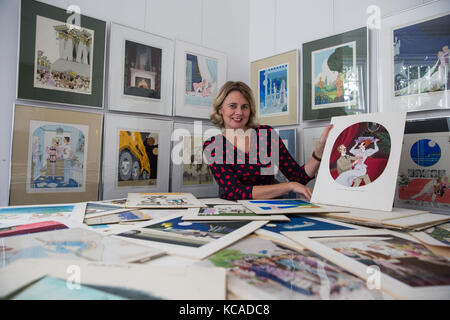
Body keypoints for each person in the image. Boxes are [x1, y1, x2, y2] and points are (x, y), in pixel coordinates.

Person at [203, 81, 332, 201]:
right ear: (220, 109)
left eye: (244, 107)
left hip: (272, 210)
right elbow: (235, 191)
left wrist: (319, 151)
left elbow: (299, 178)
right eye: (232, 106)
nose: (239, 112)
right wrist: (289, 186)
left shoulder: (266, 135)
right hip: (236, 214)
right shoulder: (213, 146)